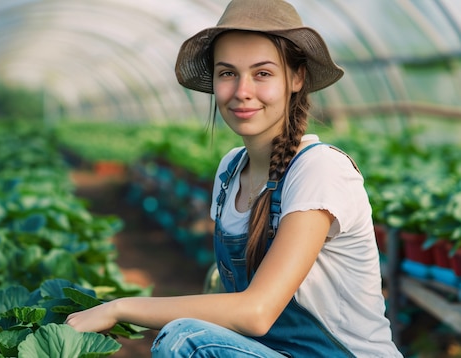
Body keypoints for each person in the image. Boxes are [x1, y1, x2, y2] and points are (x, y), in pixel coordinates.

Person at [66, 0, 403, 356]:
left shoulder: (318, 169)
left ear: (296, 78)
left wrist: (119, 307)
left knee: (186, 341)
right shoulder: (230, 171)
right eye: (227, 73)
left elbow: (256, 313)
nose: (242, 91)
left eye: (262, 73)